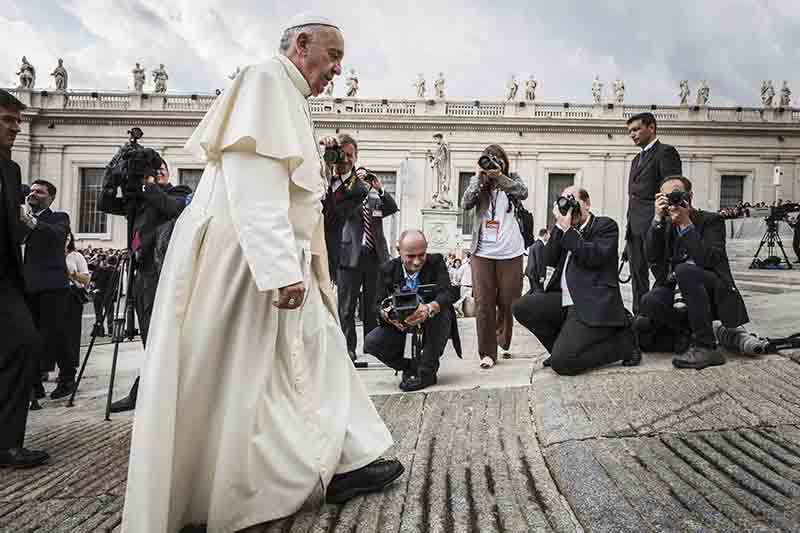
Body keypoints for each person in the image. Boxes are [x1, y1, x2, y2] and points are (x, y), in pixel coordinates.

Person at [120, 15, 401, 533]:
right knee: (242, 373)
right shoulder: (265, 80)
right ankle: (232, 487)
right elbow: (254, 183)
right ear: (302, 45)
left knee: (316, 353)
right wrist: (276, 269)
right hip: (247, 259)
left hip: (277, 255)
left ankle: (346, 459)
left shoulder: (288, 95)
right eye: (333, 57)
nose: (337, 71)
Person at [513, 186, 638, 375]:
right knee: (522, 307)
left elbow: (592, 257)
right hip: (564, 300)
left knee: (563, 364)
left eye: (574, 203)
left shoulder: (605, 226)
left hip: (591, 303)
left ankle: (623, 345)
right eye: (565, 203)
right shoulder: (564, 229)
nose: (571, 210)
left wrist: (569, 230)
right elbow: (550, 259)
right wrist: (558, 224)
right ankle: (558, 349)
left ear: (587, 204)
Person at [638, 176, 749, 369]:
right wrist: (657, 219)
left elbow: (708, 260)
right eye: (666, 197)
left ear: (690, 196)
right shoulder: (664, 224)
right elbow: (652, 258)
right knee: (649, 301)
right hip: (678, 291)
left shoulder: (711, 220)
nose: (672, 200)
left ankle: (707, 346)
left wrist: (685, 224)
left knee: (685, 271)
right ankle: (688, 334)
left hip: (712, 290)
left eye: (676, 195)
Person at [108, 158, 191, 413]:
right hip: (142, 275)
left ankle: (146, 392)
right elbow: (107, 204)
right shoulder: (139, 199)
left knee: (163, 338)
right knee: (148, 337)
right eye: (153, 170)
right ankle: (145, 389)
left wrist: (151, 187)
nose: (159, 171)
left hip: (164, 274)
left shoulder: (180, 193)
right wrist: (112, 177)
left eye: (162, 167)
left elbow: (171, 208)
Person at [0, 89, 49, 468]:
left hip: (5, 273)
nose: (16, 128)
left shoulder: (12, 169)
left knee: (24, 345)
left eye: (18, 121)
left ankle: (7, 443)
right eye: (7, 120)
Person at [330, 134, 398, 361]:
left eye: (352, 156)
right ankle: (348, 350)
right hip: (349, 254)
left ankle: (371, 346)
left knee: (372, 306)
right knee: (347, 308)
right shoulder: (346, 189)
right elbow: (340, 210)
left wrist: (379, 188)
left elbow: (391, 208)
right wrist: (353, 184)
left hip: (374, 256)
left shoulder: (373, 197)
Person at [365, 230, 460, 391]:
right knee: (371, 342)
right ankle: (409, 366)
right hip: (400, 325)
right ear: (399, 251)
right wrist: (389, 315)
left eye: (421, 255)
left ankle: (427, 370)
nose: (416, 262)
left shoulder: (436, 261)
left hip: (431, 321)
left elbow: (448, 292)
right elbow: (376, 304)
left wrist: (429, 308)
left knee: (443, 313)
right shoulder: (387, 269)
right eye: (410, 256)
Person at [461, 144, 528, 368]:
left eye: (497, 159)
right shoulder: (479, 182)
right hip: (483, 251)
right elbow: (466, 203)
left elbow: (522, 193)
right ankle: (487, 353)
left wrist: (500, 177)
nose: (493, 163)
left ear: (504, 162)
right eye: (488, 159)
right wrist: (479, 179)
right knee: (483, 304)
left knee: (509, 300)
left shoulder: (512, 179)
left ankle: (502, 338)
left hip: (511, 250)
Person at [20, 179, 73, 400]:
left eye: (39, 192)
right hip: (26, 286)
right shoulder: (20, 220)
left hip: (52, 286)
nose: (33, 194)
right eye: (31, 191)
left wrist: (30, 221)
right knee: (28, 336)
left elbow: (57, 235)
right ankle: (34, 385)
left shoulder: (59, 218)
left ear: (50, 197)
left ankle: (67, 378)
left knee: (55, 334)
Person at [625, 112, 682, 314]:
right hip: (634, 228)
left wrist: (662, 222)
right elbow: (633, 197)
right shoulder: (635, 160)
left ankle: (662, 317)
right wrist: (629, 229)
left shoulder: (666, 152)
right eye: (630, 131)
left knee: (661, 275)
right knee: (637, 277)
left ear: (652, 127)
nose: (632, 134)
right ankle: (640, 318)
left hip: (655, 227)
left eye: (636, 129)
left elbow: (672, 188)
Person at [321, 133, 370, 282]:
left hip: (329, 254)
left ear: (356, 157)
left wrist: (326, 176)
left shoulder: (358, 189)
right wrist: (318, 150)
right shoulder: (318, 172)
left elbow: (332, 218)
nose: (345, 160)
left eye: (349, 155)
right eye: (341, 154)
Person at [64, 229, 90, 391]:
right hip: (52, 295)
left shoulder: (76, 256)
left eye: (67, 236)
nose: (65, 239)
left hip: (72, 296)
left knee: (71, 334)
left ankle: (68, 374)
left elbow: (86, 279)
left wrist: (72, 274)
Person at [525, 228, 549, 293]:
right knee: (538, 293)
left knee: (533, 291)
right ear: (545, 235)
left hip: (531, 272)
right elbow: (540, 262)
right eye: (548, 234)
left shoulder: (535, 244)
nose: (549, 236)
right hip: (536, 274)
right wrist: (541, 276)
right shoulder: (540, 245)